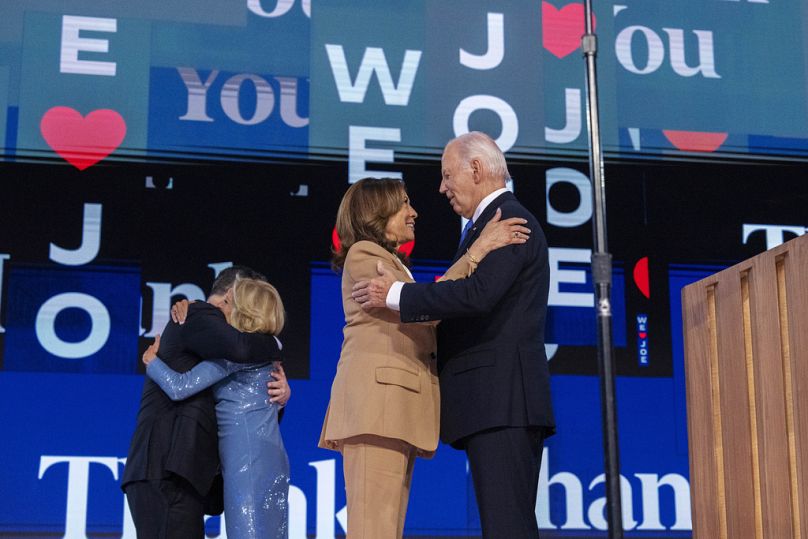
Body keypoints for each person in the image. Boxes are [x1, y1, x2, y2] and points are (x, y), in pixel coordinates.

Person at [352, 132, 555, 538]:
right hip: (494, 403)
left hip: (503, 402)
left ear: (476, 169)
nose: (441, 188)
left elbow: (477, 295)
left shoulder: (508, 221)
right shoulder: (484, 227)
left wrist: (395, 294)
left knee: (508, 527)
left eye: (447, 176)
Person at [319, 177, 531, 538]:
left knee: (386, 529)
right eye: (403, 203)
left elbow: (420, 301)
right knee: (373, 530)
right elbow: (423, 307)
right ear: (377, 212)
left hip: (392, 412)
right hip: (376, 412)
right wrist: (477, 252)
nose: (413, 212)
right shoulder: (364, 255)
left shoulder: (394, 263)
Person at [122, 266, 289, 539]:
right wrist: (274, 345)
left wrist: (152, 363)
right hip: (165, 468)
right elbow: (240, 350)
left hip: (185, 474)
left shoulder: (238, 351)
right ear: (232, 294)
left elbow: (241, 389)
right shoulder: (199, 314)